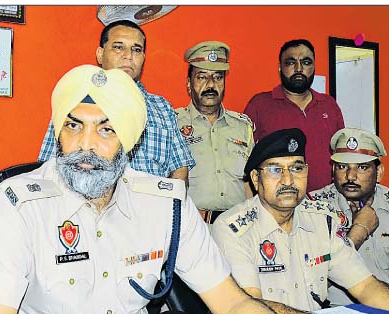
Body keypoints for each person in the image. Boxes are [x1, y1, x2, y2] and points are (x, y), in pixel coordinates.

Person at [0, 65, 337, 314]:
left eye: (106, 129)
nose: (85, 144)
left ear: (130, 140)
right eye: (73, 125)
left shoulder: (166, 204)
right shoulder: (16, 204)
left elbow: (233, 304)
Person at [212, 128, 389, 314]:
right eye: (275, 170)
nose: (288, 180)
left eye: (296, 168)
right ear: (256, 179)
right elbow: (249, 306)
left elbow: (366, 286)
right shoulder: (232, 228)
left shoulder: (322, 219)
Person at [38, 19, 194, 186]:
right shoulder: (76, 101)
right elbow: (49, 167)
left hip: (151, 200)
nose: (128, 56)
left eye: (136, 49)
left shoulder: (161, 107)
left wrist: (171, 200)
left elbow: (180, 168)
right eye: (118, 47)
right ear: (100, 54)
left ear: (143, 58)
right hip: (89, 199)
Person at [310, 127, 389, 303]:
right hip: (334, 312)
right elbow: (311, 283)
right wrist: (358, 232)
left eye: (362, 167)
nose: (350, 176)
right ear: (332, 170)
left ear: (379, 172)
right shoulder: (312, 208)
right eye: (342, 167)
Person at [244, 39, 344, 191]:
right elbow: (244, 159)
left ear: (314, 67)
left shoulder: (329, 105)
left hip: (326, 200)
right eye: (291, 62)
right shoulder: (260, 105)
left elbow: (342, 155)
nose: (299, 68)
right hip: (278, 198)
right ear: (280, 68)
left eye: (306, 62)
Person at [175, 41, 254, 224]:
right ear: (189, 84)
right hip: (193, 227)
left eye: (218, 77)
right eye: (202, 77)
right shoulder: (173, 124)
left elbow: (250, 183)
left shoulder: (243, 127)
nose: (211, 84)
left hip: (238, 228)